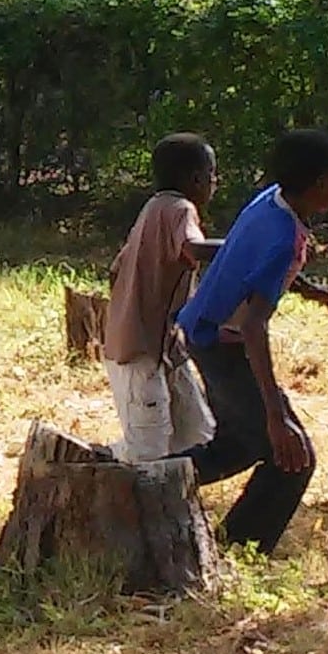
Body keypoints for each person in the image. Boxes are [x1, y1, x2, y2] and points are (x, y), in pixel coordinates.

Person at [166, 130, 328, 554]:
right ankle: (239, 549)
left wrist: (307, 288)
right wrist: (275, 413)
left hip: (202, 332)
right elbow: (255, 326)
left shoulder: (270, 199)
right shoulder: (288, 241)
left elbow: (248, 255)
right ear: (324, 185)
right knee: (292, 458)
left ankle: (146, 481)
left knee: (236, 447)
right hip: (220, 342)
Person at [104, 134, 220, 462]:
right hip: (139, 354)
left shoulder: (152, 208)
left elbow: (116, 270)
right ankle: (93, 462)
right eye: (212, 176)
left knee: (196, 435)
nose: (215, 184)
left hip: (163, 349)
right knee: (147, 451)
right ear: (195, 179)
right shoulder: (180, 208)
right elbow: (193, 248)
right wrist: (244, 247)